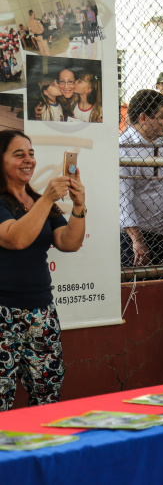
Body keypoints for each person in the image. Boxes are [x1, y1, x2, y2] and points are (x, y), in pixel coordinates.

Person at [0, 130, 86, 410]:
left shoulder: (38, 200)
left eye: (31, 153)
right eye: (18, 154)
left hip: (41, 312)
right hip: (3, 314)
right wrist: (48, 199)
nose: (28, 160)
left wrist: (79, 206)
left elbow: (69, 242)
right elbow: (16, 238)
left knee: (48, 394)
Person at [119, 90, 163, 267]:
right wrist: (137, 241)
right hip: (138, 240)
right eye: (161, 117)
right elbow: (123, 200)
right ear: (144, 118)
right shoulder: (124, 149)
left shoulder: (160, 145)